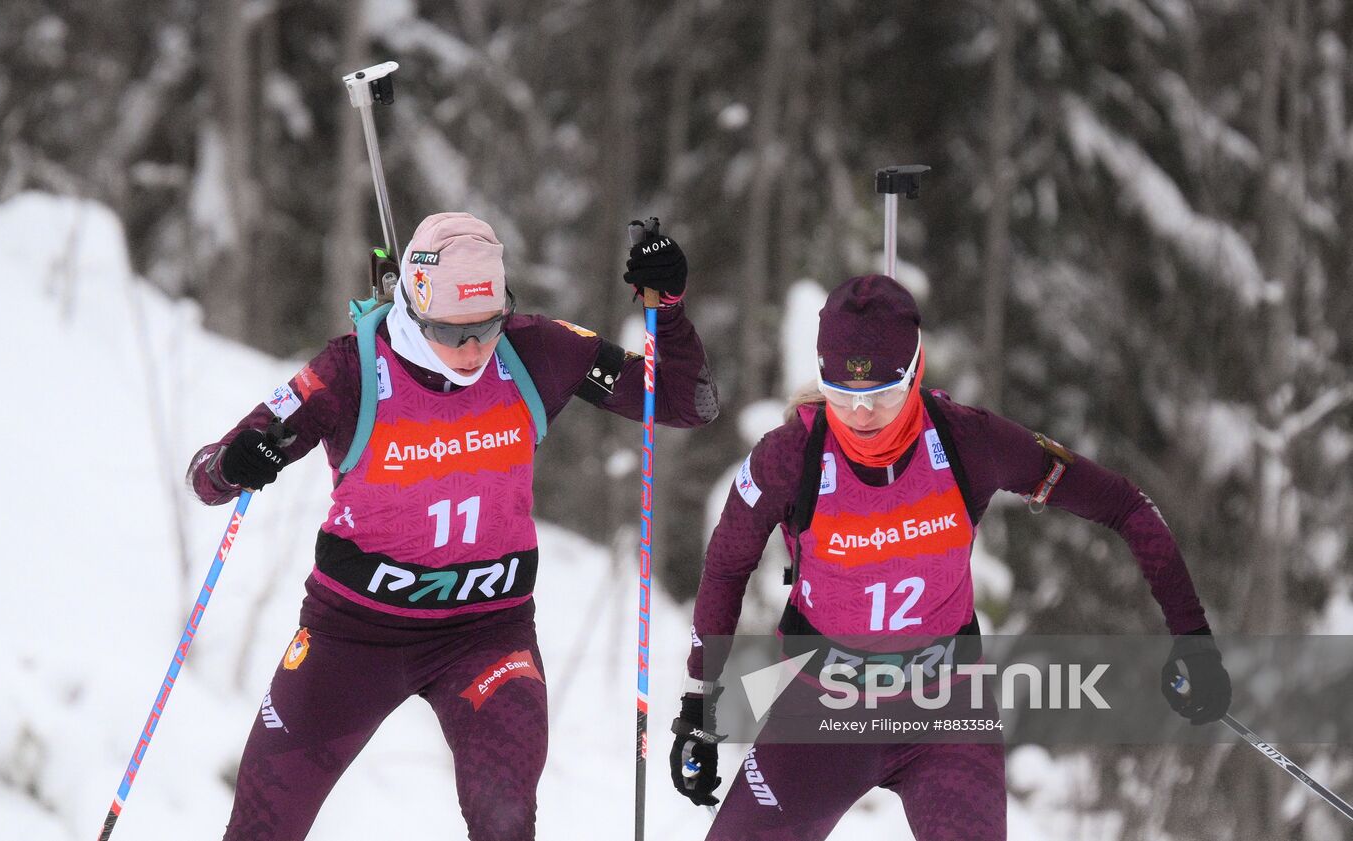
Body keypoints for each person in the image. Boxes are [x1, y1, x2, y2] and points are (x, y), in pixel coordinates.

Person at [186, 212, 717, 841]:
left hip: (488, 633)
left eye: (485, 327)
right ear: (413, 303)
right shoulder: (351, 369)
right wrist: (237, 463)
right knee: (262, 827)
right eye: (448, 331)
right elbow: (206, 479)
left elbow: (686, 401)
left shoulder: (536, 350)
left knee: (505, 817)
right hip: (353, 637)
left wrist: (671, 309)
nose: (471, 351)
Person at [667, 274, 1231, 840]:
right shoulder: (791, 458)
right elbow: (727, 565)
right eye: (841, 395)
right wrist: (699, 700)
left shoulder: (968, 443)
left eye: (882, 395)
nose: (861, 417)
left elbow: (1124, 504)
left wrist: (1194, 638)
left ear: (916, 372)